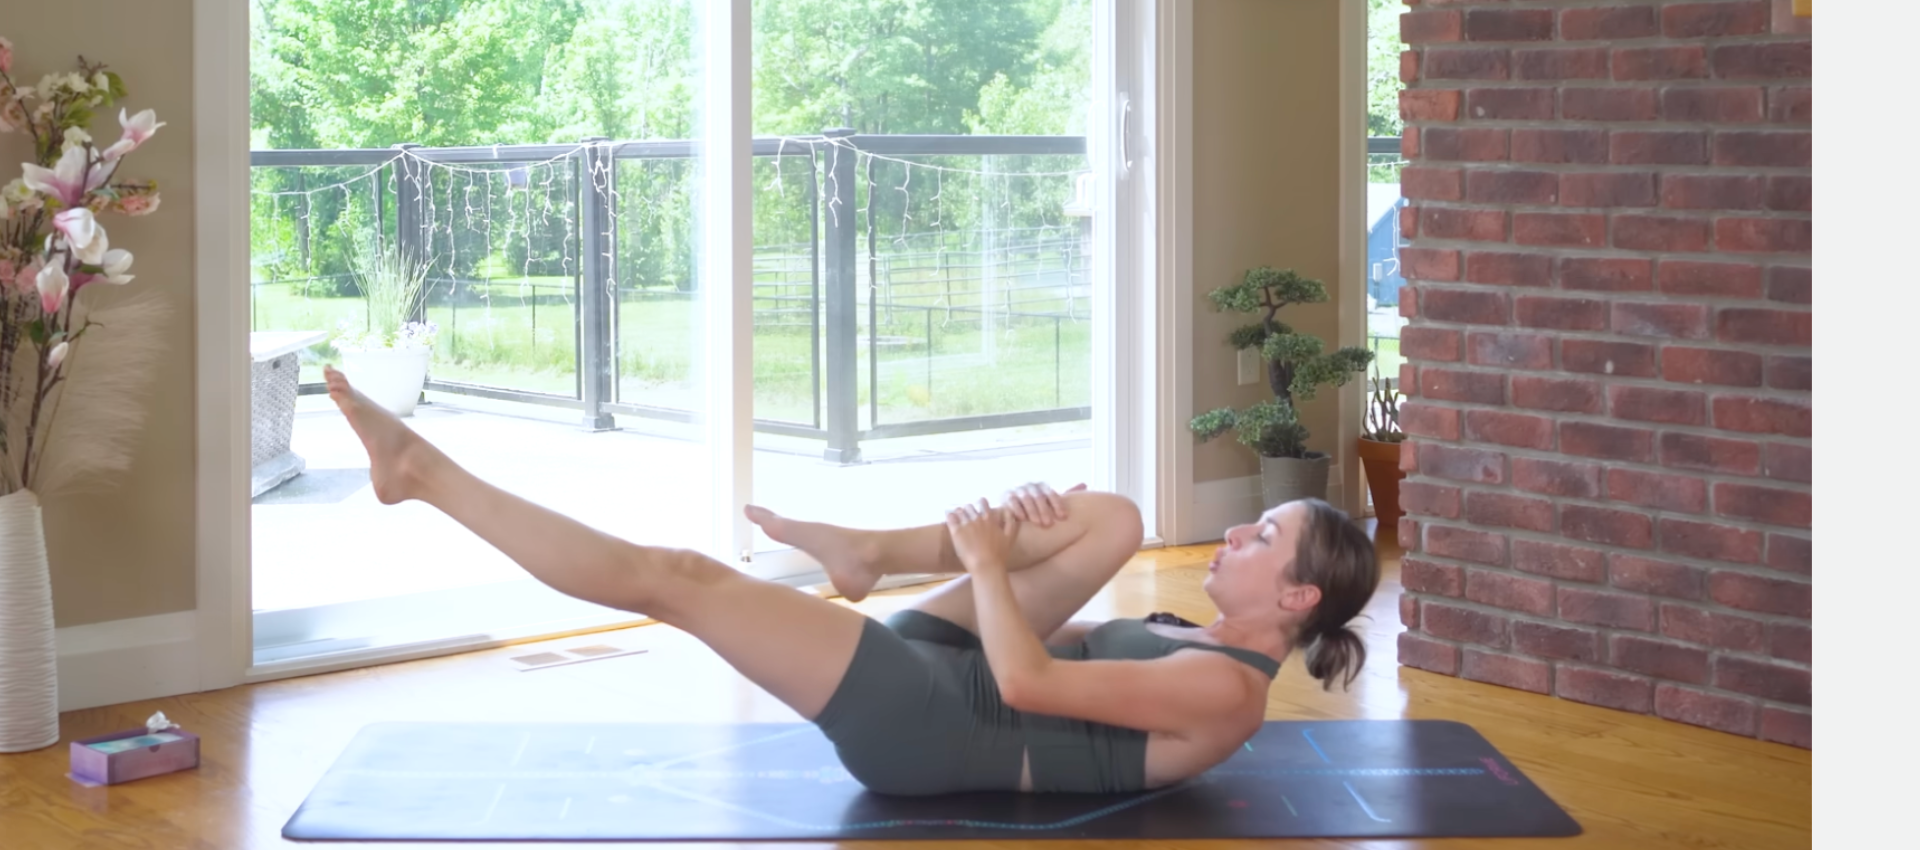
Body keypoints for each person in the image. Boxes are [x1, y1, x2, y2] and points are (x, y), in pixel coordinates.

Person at [321, 365, 1381, 796]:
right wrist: (1014, 559)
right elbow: (1044, 660)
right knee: (1114, 516)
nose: (1237, 529)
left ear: (1297, 599)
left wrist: (984, 561)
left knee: (677, 580)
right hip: (953, 672)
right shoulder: (1201, 643)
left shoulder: (1225, 693)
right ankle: (867, 550)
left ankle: (423, 476)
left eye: (1262, 535)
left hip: (930, 727)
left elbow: (1028, 690)